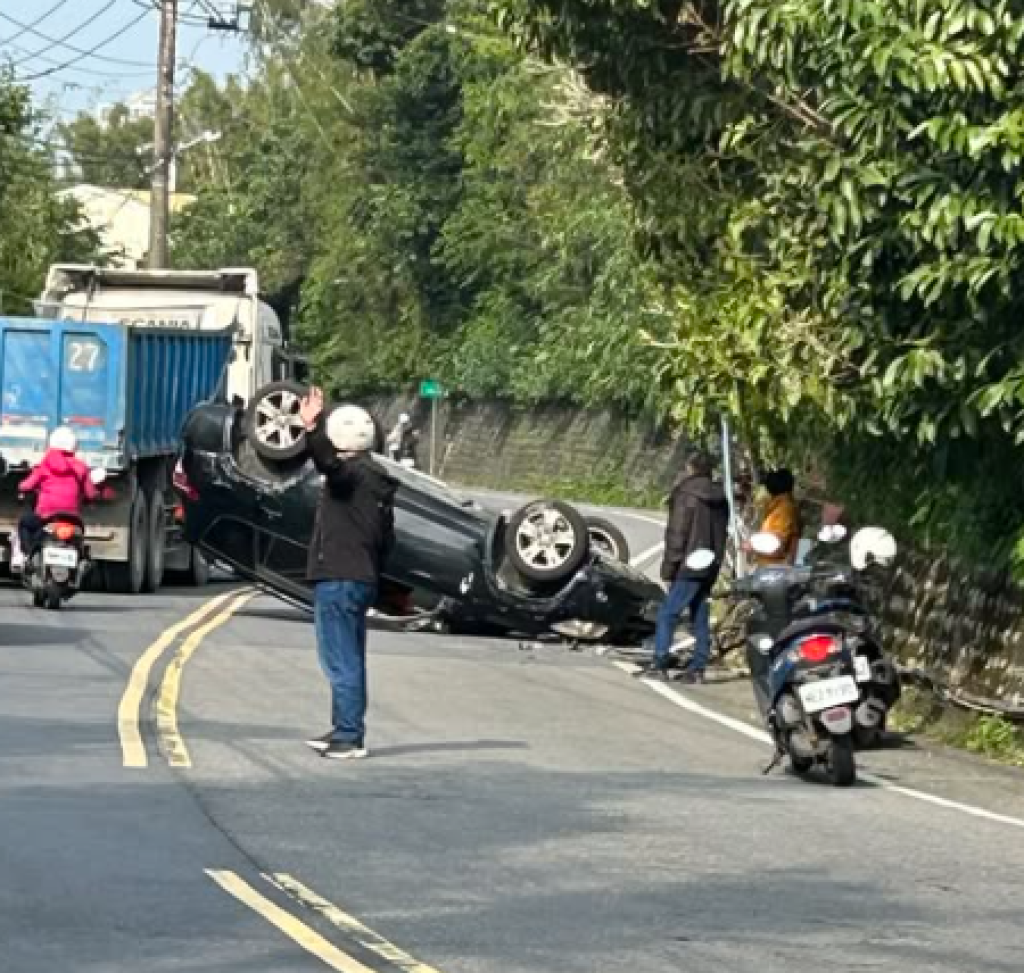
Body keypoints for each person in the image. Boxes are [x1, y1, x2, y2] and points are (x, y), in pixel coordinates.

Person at [299, 387, 396, 761]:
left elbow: (328, 465)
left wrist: (311, 429)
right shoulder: (378, 480)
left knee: (340, 660)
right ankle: (345, 726)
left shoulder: (349, 476)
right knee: (351, 656)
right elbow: (387, 540)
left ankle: (349, 735)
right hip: (362, 577)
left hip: (338, 577)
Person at [640, 450, 729, 683]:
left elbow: (677, 534)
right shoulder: (721, 497)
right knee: (699, 615)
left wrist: (669, 567)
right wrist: (716, 563)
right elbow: (722, 534)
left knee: (668, 613)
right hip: (709, 562)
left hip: (688, 563)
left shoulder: (685, 494)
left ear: (691, 468)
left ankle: (660, 662)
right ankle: (698, 667)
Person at [12, 426, 98, 571]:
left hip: (47, 516)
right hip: (72, 518)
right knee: (80, 538)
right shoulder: (81, 467)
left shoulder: (45, 465)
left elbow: (26, 486)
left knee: (24, 523)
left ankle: (28, 555)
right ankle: (81, 560)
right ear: (74, 445)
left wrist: (22, 488)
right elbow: (90, 493)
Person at [753, 468, 801, 565]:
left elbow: (777, 546)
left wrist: (752, 546)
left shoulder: (784, 509)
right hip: (771, 565)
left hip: (776, 568)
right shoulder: (777, 506)